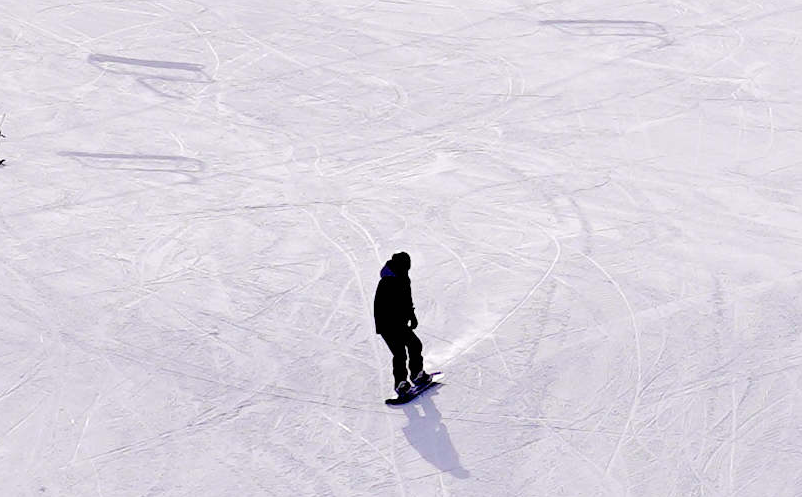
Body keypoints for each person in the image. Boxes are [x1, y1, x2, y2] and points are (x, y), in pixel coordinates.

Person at [374, 252, 432, 395]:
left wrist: (411, 316)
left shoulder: (404, 278)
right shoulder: (387, 282)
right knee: (400, 353)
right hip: (387, 324)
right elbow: (381, 307)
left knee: (415, 344)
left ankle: (416, 374)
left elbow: (406, 300)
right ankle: (401, 384)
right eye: (406, 264)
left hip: (399, 322)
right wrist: (395, 322)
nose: (408, 267)